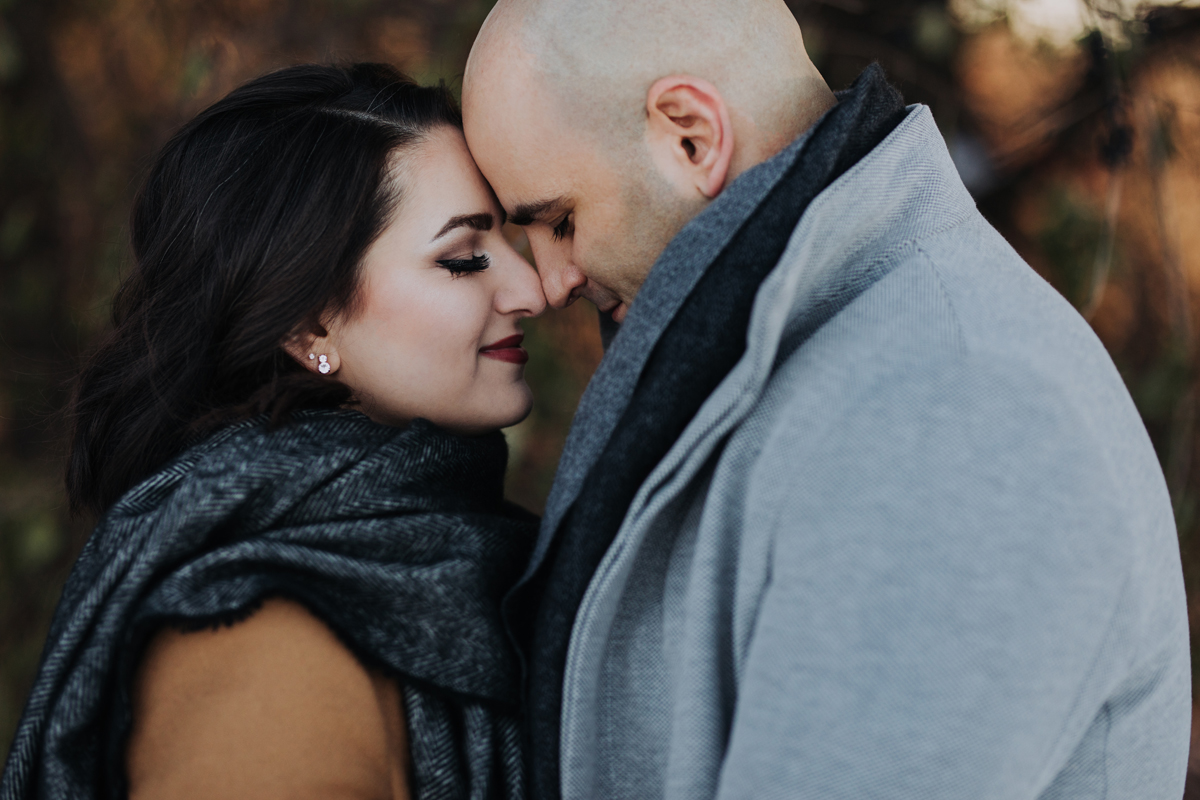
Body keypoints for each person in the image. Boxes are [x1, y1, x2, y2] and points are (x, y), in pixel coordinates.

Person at [461, 1, 1192, 799]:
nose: (550, 281)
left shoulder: (953, 411)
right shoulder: (797, 363)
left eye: (560, 220)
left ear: (689, 136)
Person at [0, 63, 546, 800]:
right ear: (310, 324)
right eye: (462, 258)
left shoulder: (432, 539)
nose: (533, 289)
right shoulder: (254, 628)